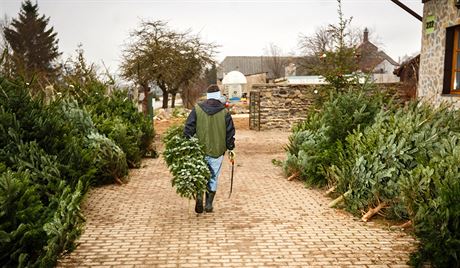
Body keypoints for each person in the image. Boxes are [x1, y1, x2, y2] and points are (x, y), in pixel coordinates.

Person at [184, 84, 236, 213]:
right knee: (213, 176)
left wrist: (186, 142)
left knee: (200, 174)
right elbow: (230, 133)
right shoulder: (225, 112)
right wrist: (230, 147)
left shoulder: (197, 109)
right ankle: (208, 204)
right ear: (218, 96)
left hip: (199, 149)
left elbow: (188, 128)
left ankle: (199, 196)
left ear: (208, 96)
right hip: (217, 151)